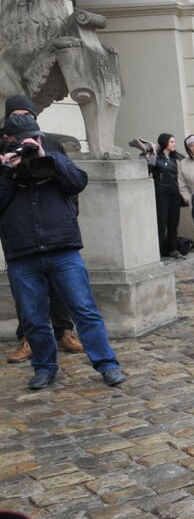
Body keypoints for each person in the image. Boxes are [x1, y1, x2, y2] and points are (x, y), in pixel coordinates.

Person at [0, 111, 125, 389]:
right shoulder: (3, 166)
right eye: (22, 141)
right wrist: (7, 172)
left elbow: (78, 182)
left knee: (85, 310)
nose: (29, 144)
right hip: (22, 254)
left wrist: (47, 157)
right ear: (8, 139)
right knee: (33, 318)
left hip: (62, 249)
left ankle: (107, 364)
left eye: (33, 138)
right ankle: (44, 367)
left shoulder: (53, 155)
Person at [2, 96, 82, 364]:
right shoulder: (3, 148)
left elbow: (71, 183)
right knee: (25, 295)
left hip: (55, 232)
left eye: (26, 115)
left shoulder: (50, 144)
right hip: (19, 234)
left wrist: (70, 213)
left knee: (60, 289)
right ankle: (27, 338)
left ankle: (64, 332)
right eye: (15, 115)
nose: (21, 119)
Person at [139, 132, 185, 260]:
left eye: (174, 141)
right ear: (165, 143)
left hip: (175, 193)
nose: (174, 144)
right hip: (161, 194)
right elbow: (146, 170)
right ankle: (158, 250)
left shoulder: (177, 158)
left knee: (173, 223)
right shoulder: (156, 157)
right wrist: (150, 153)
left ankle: (173, 249)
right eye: (171, 142)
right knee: (161, 223)